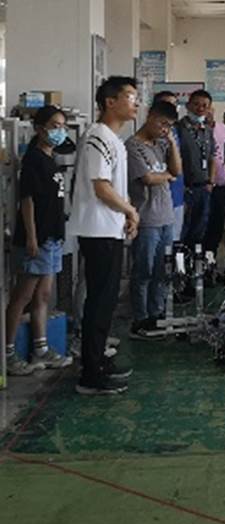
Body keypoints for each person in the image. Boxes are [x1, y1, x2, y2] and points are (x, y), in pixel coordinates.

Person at [69, 76, 140, 395]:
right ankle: (90, 374)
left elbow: (114, 187)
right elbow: (101, 188)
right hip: (97, 229)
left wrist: (126, 215)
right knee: (99, 302)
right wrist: (131, 210)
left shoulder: (114, 139)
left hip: (109, 228)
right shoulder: (98, 136)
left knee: (106, 301)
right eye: (130, 97)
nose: (135, 103)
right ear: (110, 102)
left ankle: (98, 361)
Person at [4, 106, 74, 375]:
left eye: (63, 126)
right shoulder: (33, 159)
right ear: (39, 128)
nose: (60, 131)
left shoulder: (50, 158)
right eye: (54, 126)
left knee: (43, 295)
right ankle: (7, 353)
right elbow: (27, 200)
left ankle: (40, 349)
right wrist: (32, 237)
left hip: (53, 238)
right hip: (37, 239)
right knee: (22, 296)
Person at [126, 100, 182, 340]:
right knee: (143, 271)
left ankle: (156, 314)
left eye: (169, 126)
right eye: (162, 123)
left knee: (162, 271)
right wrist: (166, 176)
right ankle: (140, 319)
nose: (164, 129)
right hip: (146, 219)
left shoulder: (161, 144)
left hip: (166, 217)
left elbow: (177, 171)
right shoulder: (132, 146)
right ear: (149, 117)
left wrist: (172, 143)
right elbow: (147, 178)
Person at [175, 89, 216, 250]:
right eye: (196, 104)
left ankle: (194, 261)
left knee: (200, 230)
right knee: (182, 229)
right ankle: (179, 261)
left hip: (203, 187)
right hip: (185, 187)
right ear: (188, 105)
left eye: (205, 105)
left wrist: (211, 182)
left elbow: (212, 157)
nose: (200, 108)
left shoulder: (207, 130)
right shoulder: (178, 128)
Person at [204, 107, 225, 258]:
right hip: (209, 185)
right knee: (209, 222)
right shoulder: (209, 131)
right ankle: (205, 255)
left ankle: (221, 256)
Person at [154, 91, 186, 243]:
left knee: (173, 241)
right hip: (159, 196)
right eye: (167, 105)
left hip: (177, 193)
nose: (171, 109)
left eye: (174, 105)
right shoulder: (154, 135)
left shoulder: (175, 131)